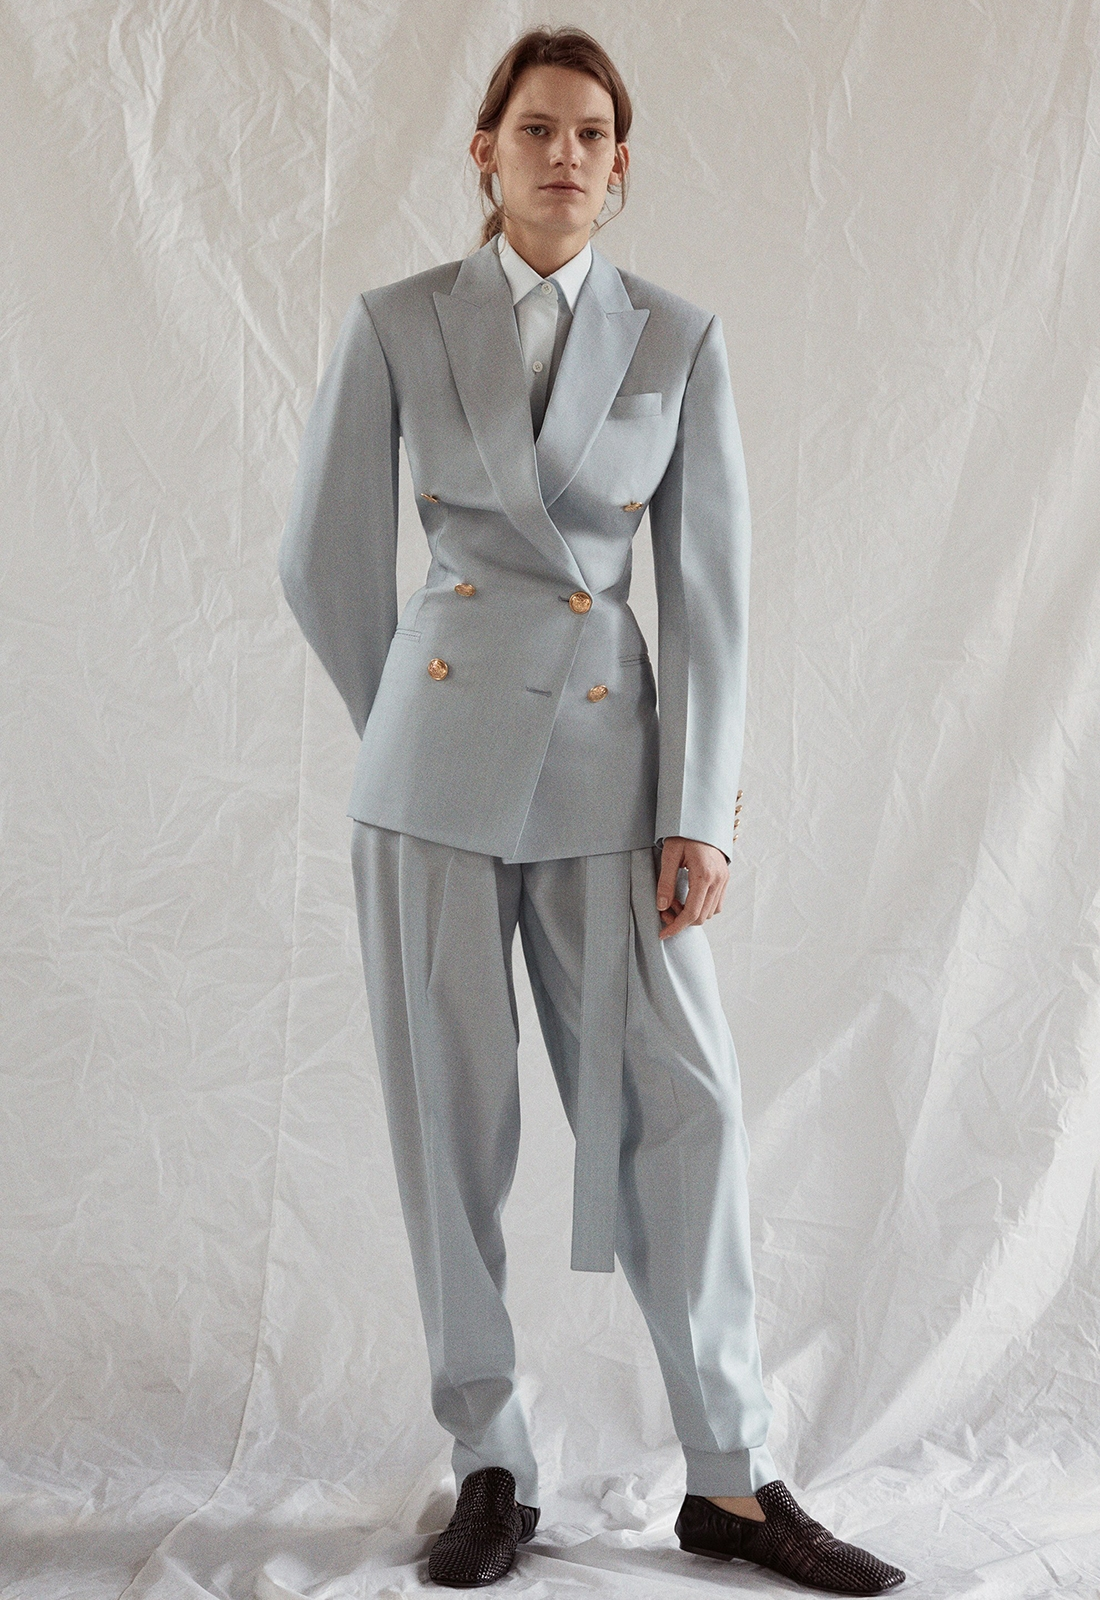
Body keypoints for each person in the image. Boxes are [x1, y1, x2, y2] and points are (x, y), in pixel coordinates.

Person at [279, 25, 905, 1596]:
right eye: (536, 128)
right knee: (450, 1126)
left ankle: (731, 1478)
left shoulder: (676, 337)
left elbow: (711, 597)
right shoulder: (399, 320)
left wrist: (702, 808)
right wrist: (411, 720)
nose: (565, 154)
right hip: (431, 778)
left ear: (621, 169)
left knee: (685, 1110)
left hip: (613, 778)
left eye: (592, 135)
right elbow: (319, 556)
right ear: (483, 153)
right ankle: (491, 1466)